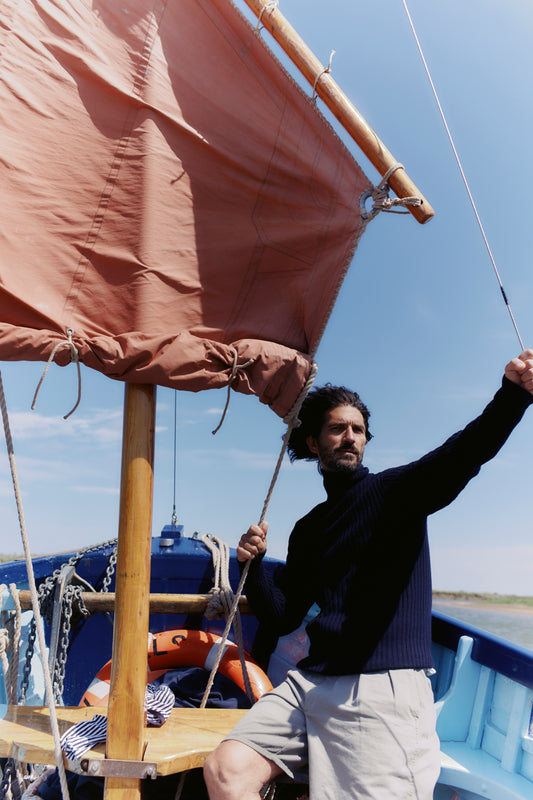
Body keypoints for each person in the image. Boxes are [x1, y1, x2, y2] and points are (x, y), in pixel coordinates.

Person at [204, 350, 533, 800]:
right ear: (315, 443)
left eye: (357, 430)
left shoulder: (395, 494)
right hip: (310, 684)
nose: (350, 437)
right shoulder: (308, 529)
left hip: (380, 689)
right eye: (337, 428)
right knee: (226, 770)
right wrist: (252, 567)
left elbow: (463, 455)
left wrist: (514, 396)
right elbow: (282, 617)